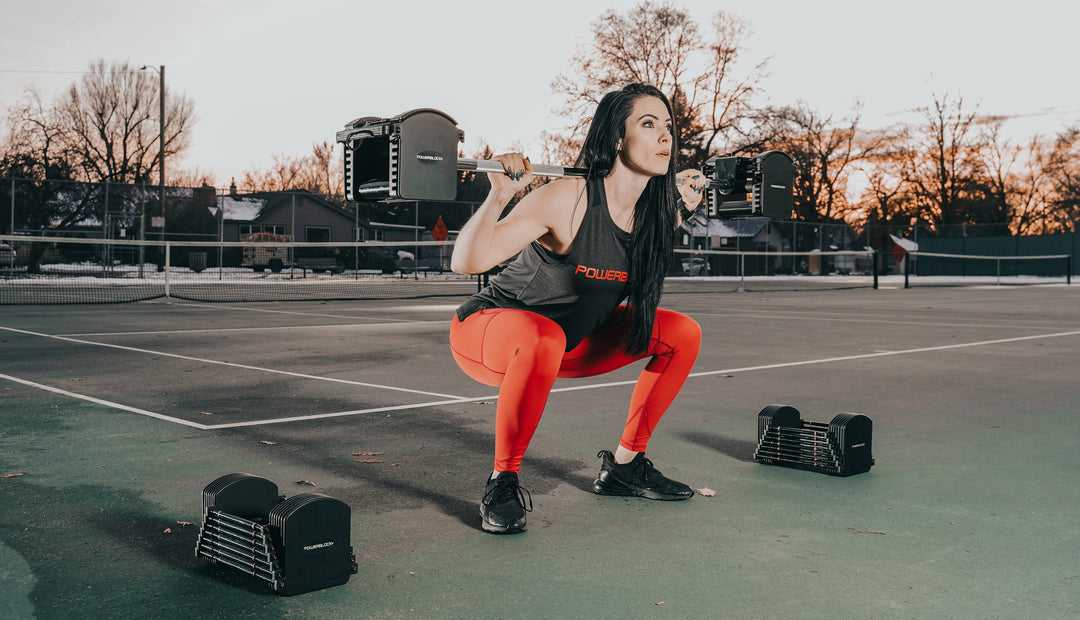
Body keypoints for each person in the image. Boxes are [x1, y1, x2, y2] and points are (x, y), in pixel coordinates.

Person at [449, 83, 705, 534]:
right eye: (648, 125)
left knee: (682, 333)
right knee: (542, 336)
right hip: (489, 332)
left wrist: (679, 205)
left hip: (564, 343)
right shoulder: (568, 198)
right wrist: (498, 195)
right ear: (616, 139)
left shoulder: (655, 215)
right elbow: (466, 263)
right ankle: (502, 480)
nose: (666, 137)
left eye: (668, 126)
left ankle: (625, 466)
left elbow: (661, 227)